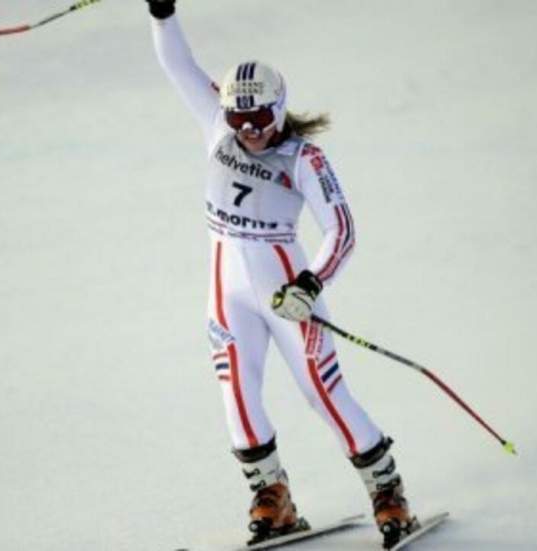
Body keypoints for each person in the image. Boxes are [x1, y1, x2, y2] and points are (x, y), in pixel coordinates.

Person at [145, 1, 419, 547]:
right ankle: (271, 495)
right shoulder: (216, 127)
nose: (247, 129)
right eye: (237, 118)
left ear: (279, 108)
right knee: (238, 395)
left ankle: (388, 494)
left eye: (259, 119)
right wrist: (162, 12)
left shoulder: (303, 158)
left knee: (323, 392)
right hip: (228, 294)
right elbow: (178, 64)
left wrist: (311, 285)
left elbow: (341, 230)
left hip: (286, 293)